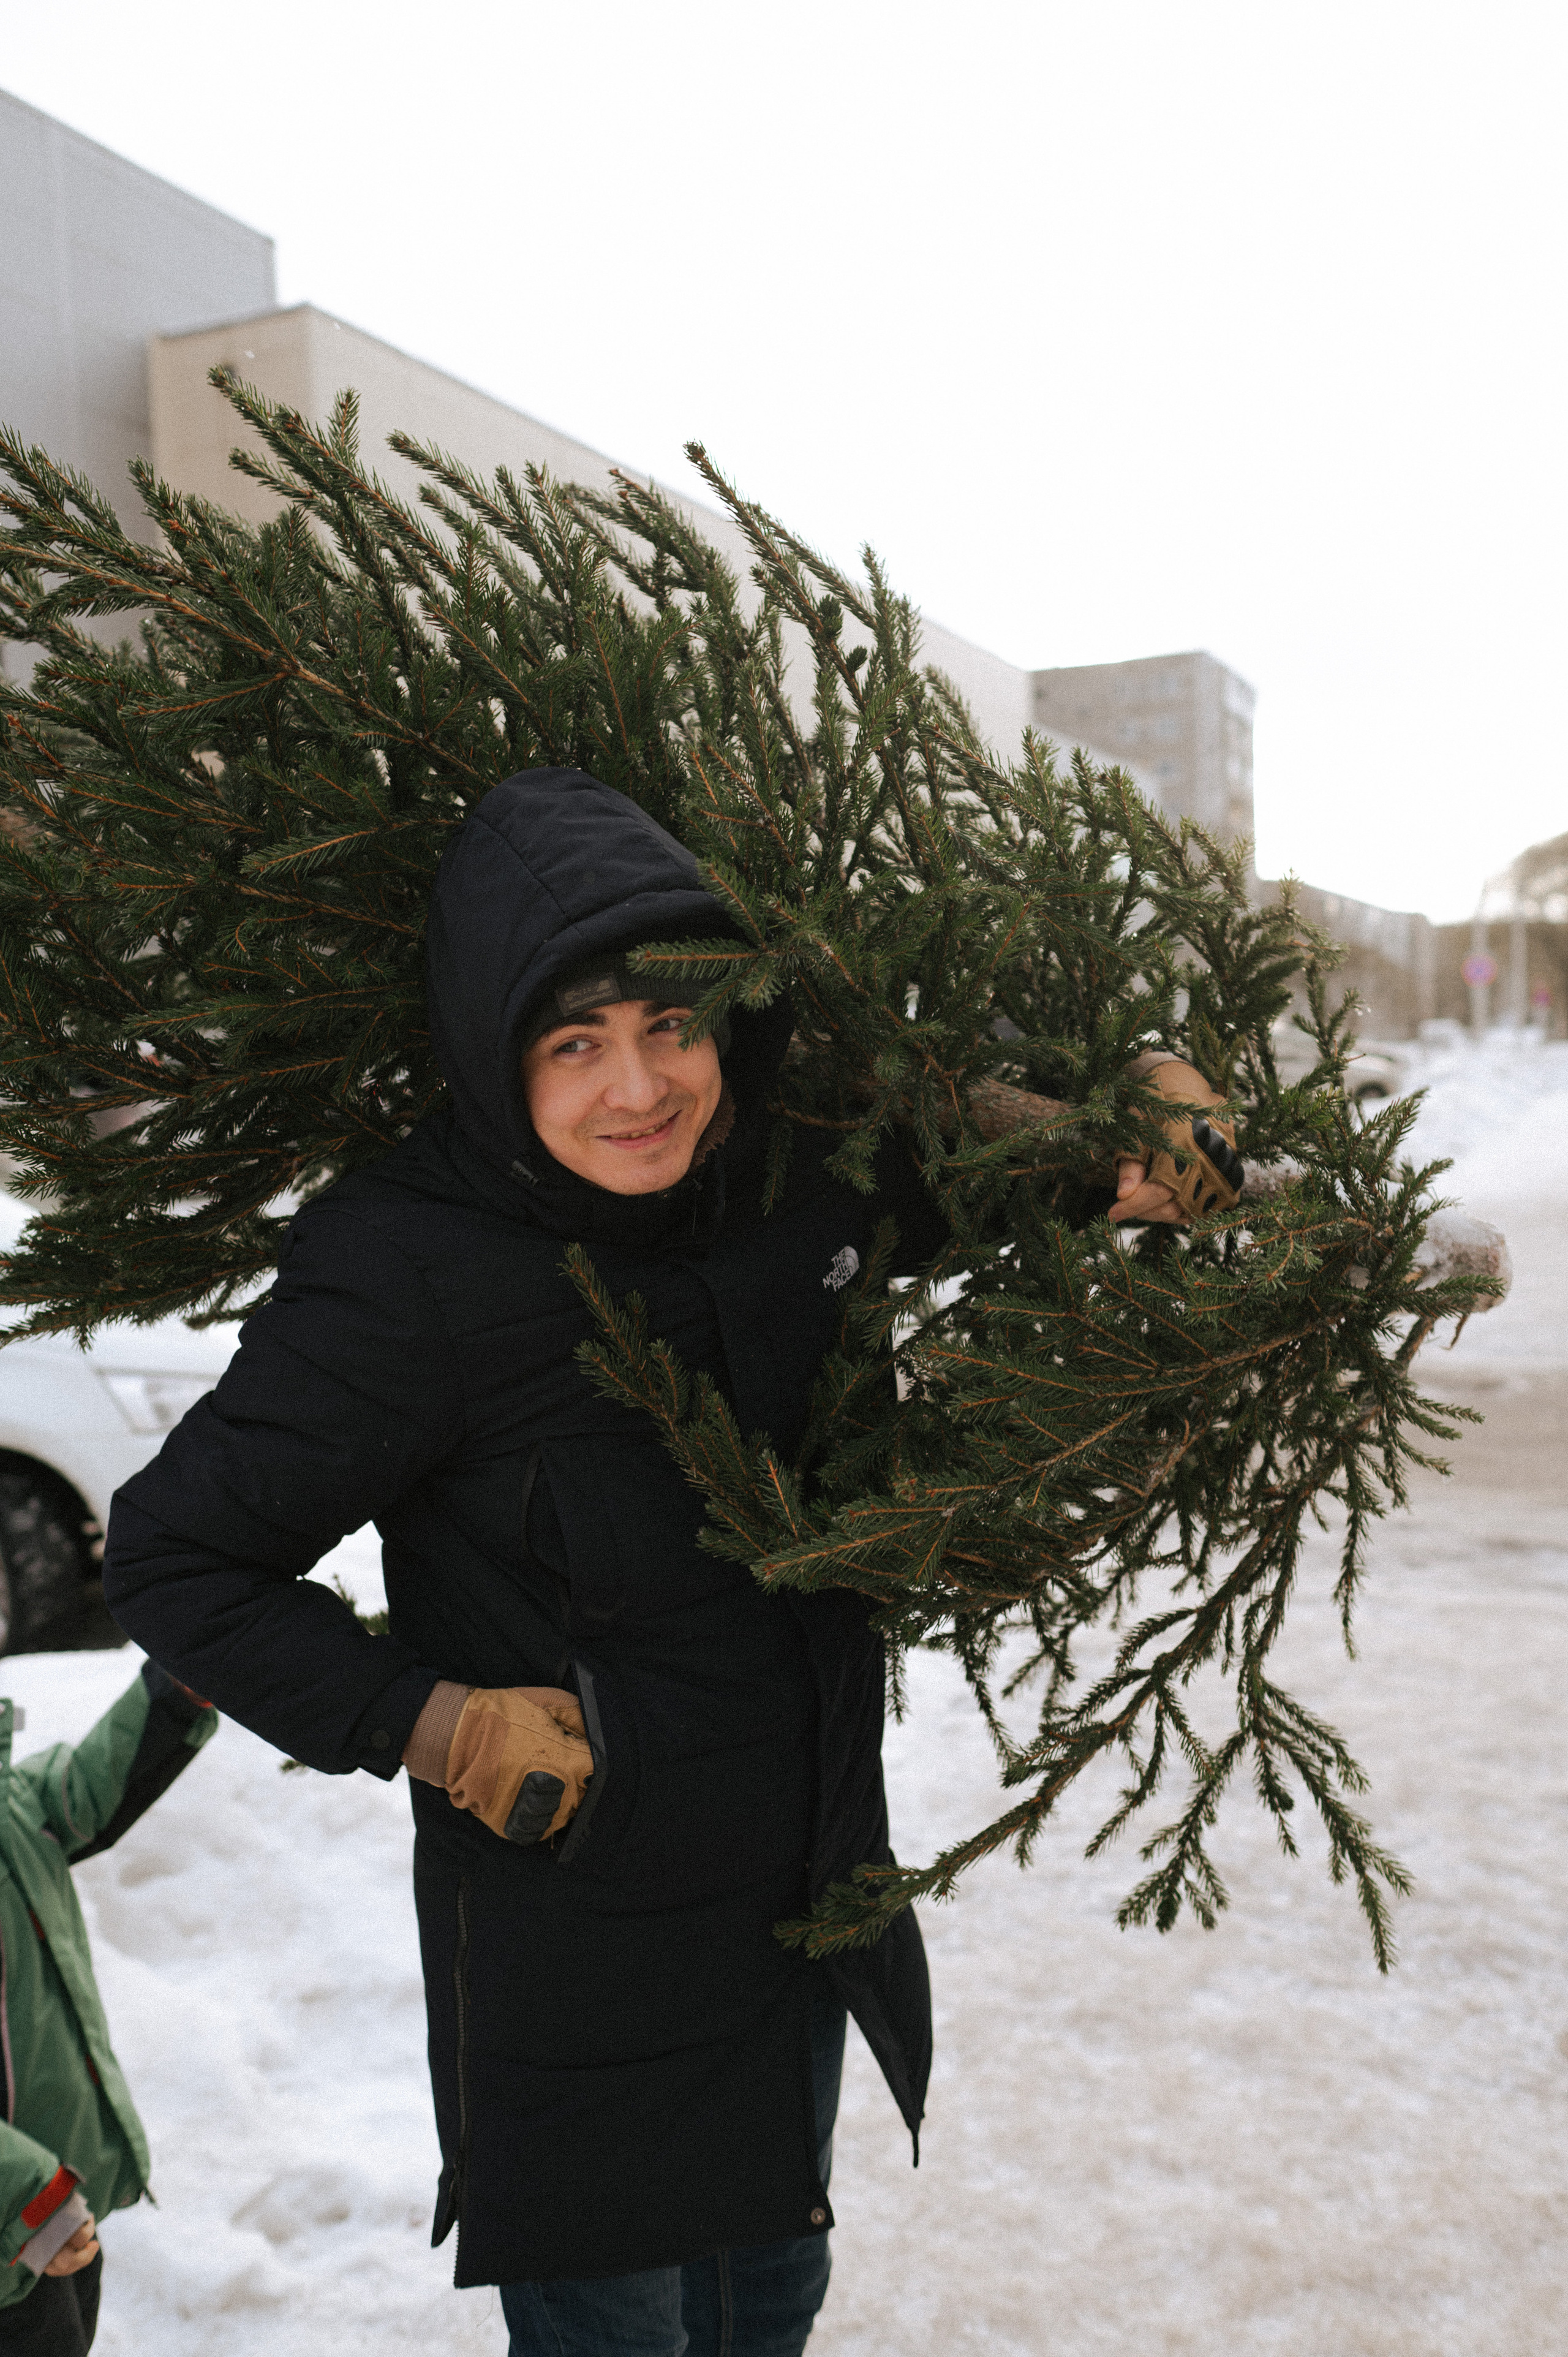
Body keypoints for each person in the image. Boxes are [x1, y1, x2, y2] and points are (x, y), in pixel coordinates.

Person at [101, 766, 1200, 2357]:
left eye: (671, 1026)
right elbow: (177, 1557)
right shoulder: (409, 1266)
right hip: (579, 1968)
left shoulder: (787, 1178)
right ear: (494, 1049)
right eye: (574, 1041)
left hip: (794, 1922)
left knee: (769, 2313)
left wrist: (1133, 1124)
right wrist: (442, 1724)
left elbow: (982, 1167)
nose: (640, 1085)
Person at [0, 1668, 217, 2356]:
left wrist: (177, 1690)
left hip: (53, 2214)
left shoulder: (11, 1803)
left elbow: (80, 1791)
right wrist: (27, 2201)